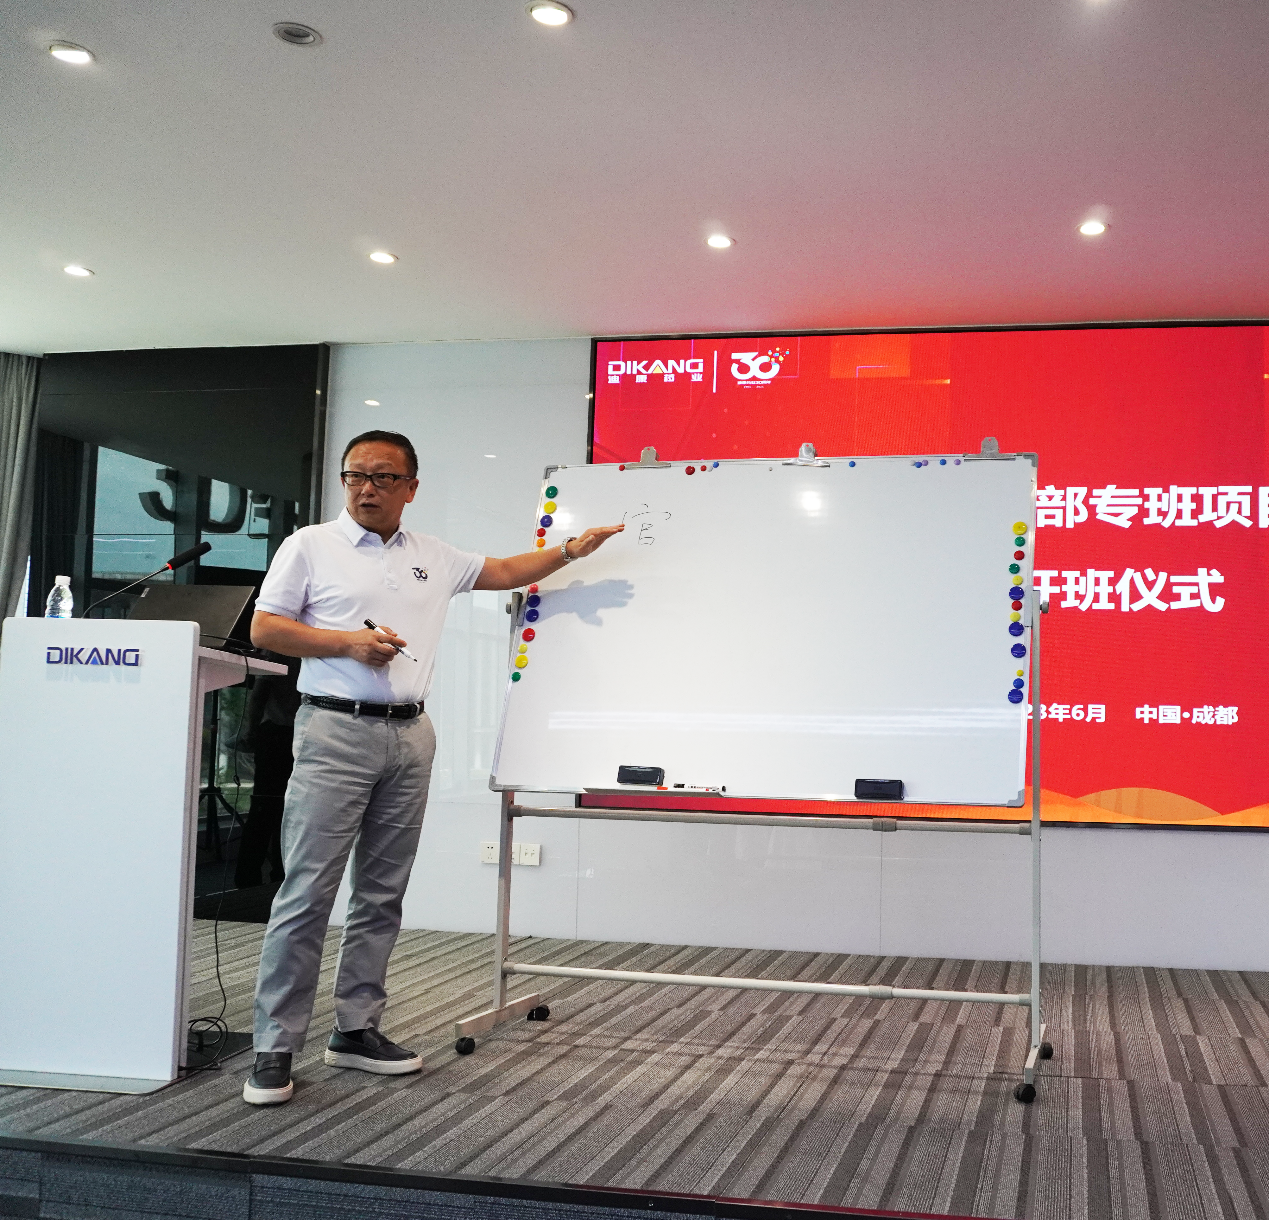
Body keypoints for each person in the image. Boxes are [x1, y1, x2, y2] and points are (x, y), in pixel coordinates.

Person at [242, 429, 622, 1106]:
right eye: (355, 475)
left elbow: (504, 570)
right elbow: (266, 629)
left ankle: (355, 1029)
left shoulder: (432, 555)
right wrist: (347, 644)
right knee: (307, 892)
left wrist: (570, 550)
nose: (366, 488)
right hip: (333, 730)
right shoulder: (309, 545)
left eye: (383, 477)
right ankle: (274, 1046)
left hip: (411, 734)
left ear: (411, 488)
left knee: (382, 892)